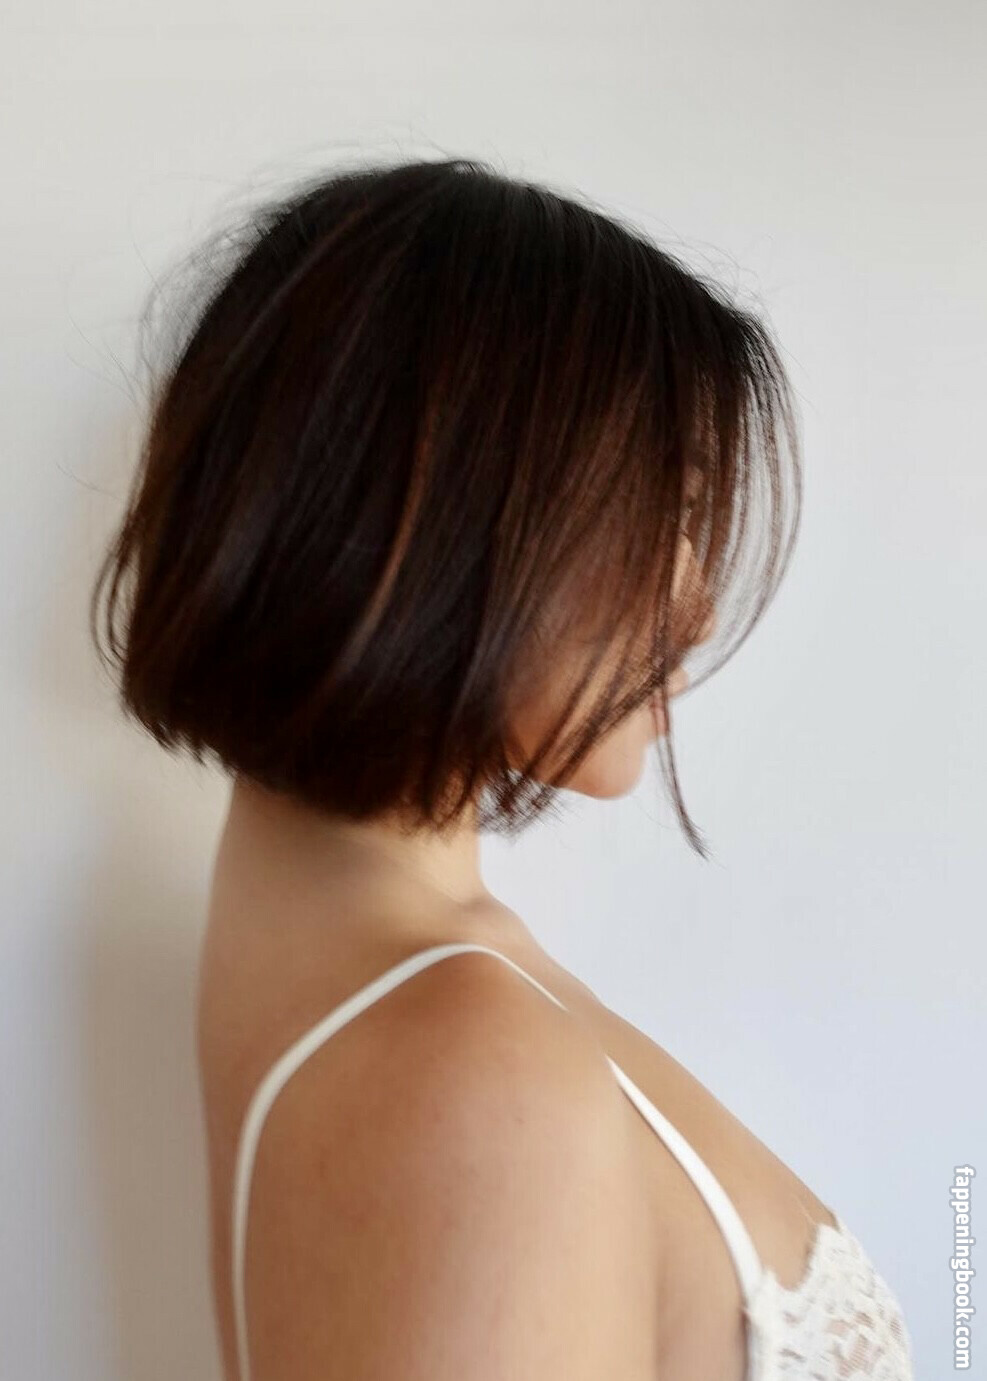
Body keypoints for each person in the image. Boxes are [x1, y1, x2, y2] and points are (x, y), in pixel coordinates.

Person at [90, 155, 914, 1381]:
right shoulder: (466, 1070)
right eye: (667, 506)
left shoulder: (366, 965)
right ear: (430, 496)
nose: (697, 599)